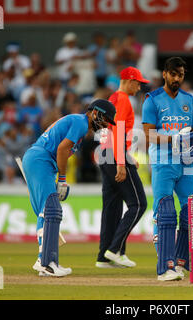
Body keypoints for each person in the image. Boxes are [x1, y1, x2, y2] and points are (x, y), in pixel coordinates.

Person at [22, 99, 116, 277]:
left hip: (38, 160)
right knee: (51, 209)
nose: (105, 125)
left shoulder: (79, 124)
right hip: (40, 160)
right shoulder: (80, 122)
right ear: (95, 112)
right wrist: (62, 180)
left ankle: (44, 260)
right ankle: (48, 263)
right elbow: (62, 149)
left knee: (47, 211)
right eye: (104, 120)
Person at [142, 57, 193, 281]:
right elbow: (148, 134)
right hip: (163, 162)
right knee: (165, 212)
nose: (178, 79)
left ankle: (179, 261)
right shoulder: (152, 100)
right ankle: (165, 266)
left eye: (181, 75)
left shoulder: (189, 99)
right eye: (174, 74)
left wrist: (191, 145)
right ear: (165, 74)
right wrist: (173, 140)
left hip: (187, 162)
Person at [96, 67, 149, 269]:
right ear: (128, 80)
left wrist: (126, 156)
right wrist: (121, 162)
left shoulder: (113, 98)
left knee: (112, 207)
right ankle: (115, 249)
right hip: (114, 156)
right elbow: (118, 130)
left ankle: (104, 256)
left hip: (105, 153)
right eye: (138, 83)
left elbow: (108, 130)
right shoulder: (124, 99)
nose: (139, 87)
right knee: (138, 204)